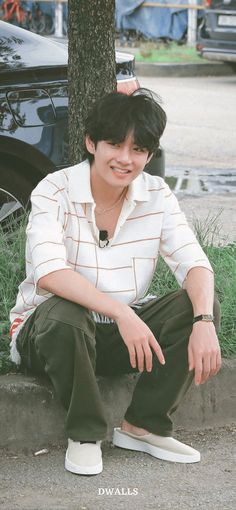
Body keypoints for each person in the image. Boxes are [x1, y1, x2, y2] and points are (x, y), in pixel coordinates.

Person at [10, 89, 221, 476]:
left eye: (138, 149)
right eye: (114, 144)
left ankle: (144, 425)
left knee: (198, 302)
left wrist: (204, 322)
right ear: (91, 143)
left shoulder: (156, 194)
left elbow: (195, 264)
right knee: (65, 313)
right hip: (53, 335)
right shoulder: (54, 190)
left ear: (149, 154)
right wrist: (122, 312)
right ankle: (85, 434)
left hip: (120, 334)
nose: (125, 159)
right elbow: (50, 273)